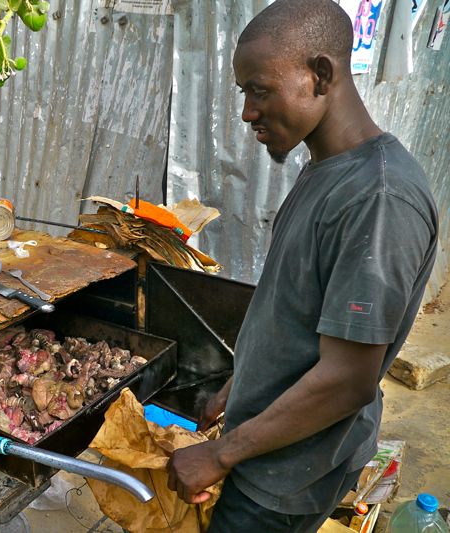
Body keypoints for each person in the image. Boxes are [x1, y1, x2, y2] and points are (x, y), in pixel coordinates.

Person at [166, 1, 438, 532]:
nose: (247, 112)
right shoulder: (327, 170)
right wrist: (239, 385)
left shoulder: (378, 199)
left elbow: (348, 380)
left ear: (321, 75)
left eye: (259, 90)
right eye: (244, 93)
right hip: (271, 447)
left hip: (286, 478)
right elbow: (295, 308)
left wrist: (221, 454)